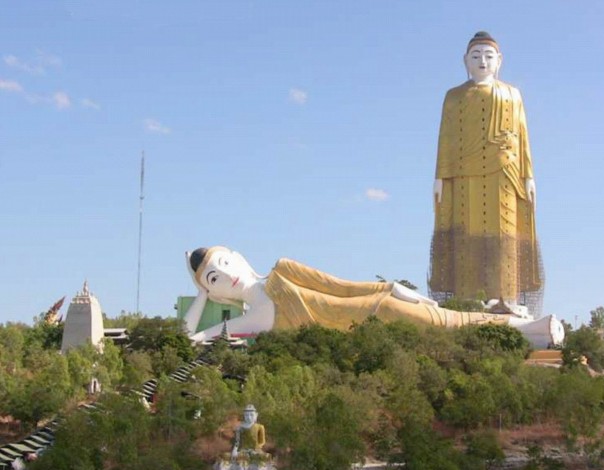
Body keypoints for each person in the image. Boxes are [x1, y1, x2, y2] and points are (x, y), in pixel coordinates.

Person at [183, 245, 563, 347]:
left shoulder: (282, 271)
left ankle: (529, 326)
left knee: (450, 322)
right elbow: (192, 337)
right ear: (213, 291)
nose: (227, 276)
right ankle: (534, 335)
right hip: (371, 339)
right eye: (214, 279)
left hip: (379, 309)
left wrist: (390, 287)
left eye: (225, 263)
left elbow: (340, 287)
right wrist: (199, 296)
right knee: (452, 333)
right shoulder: (251, 318)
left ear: (238, 256)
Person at [429, 31, 542, 312]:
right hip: (464, 173)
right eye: (476, 56)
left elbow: (523, 136)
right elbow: (446, 137)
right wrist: (440, 176)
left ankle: (505, 296)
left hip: (504, 172)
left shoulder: (512, 94)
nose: (482, 61)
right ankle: (468, 296)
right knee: (466, 232)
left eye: (488, 56)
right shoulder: (454, 97)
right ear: (465, 61)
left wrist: (529, 176)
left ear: (499, 61)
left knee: (503, 233)